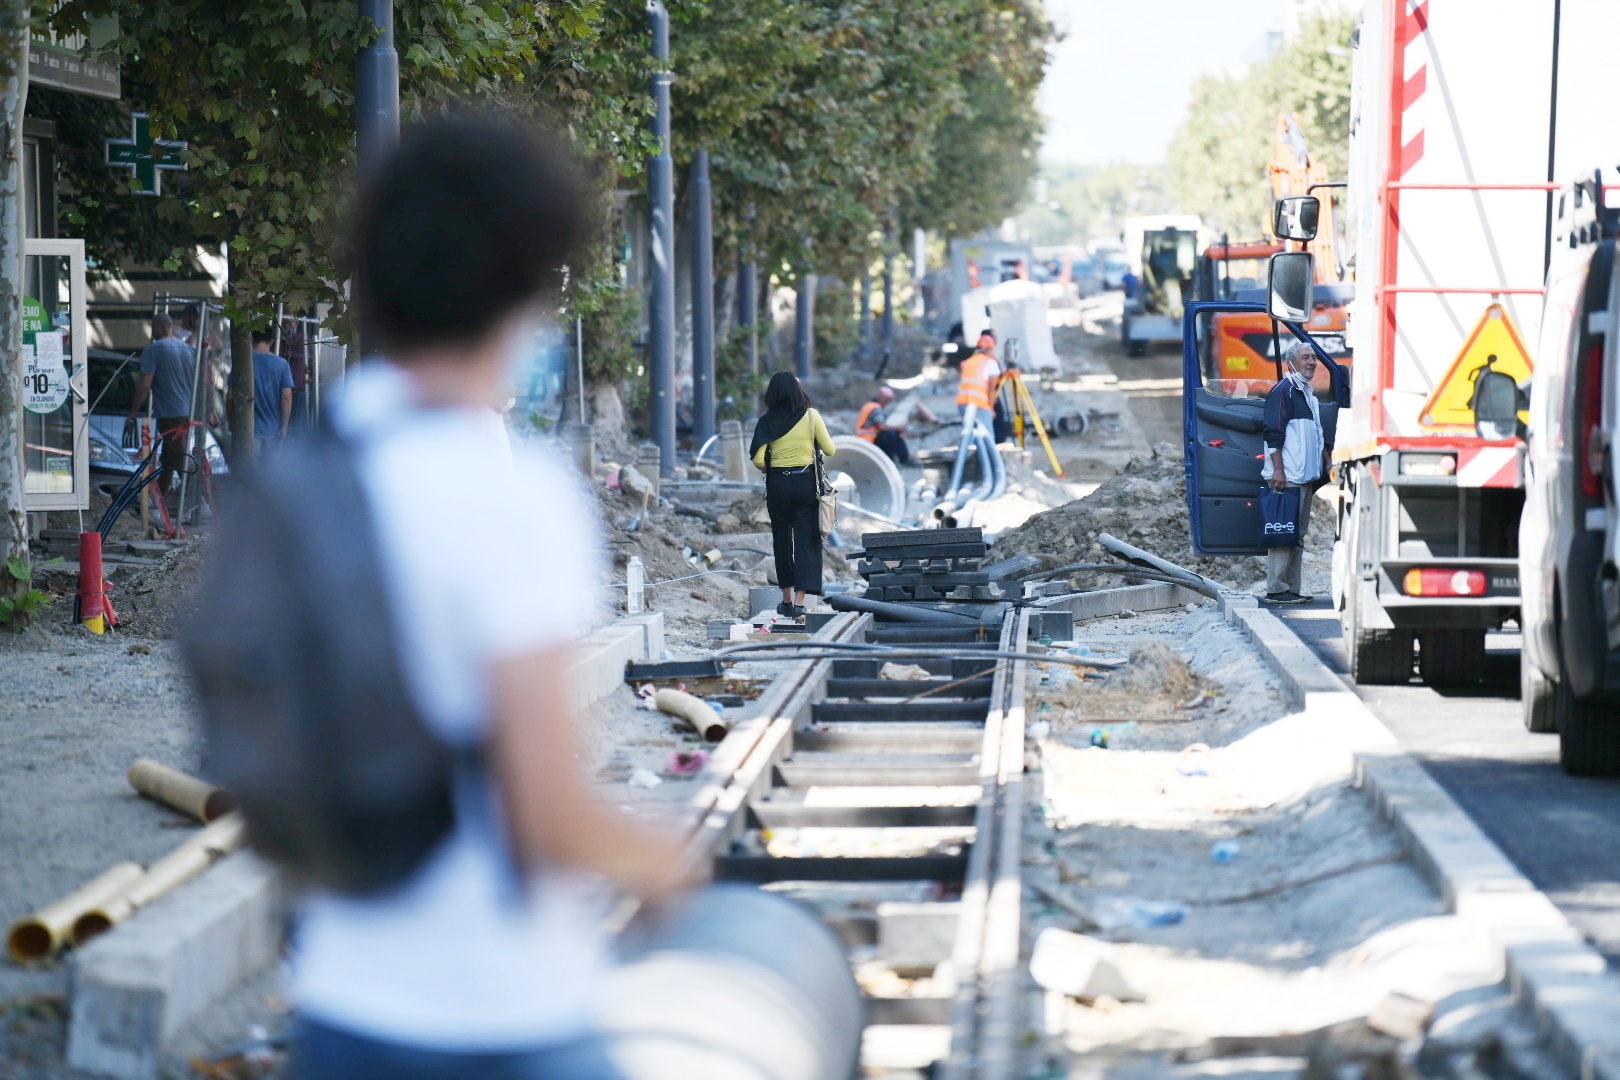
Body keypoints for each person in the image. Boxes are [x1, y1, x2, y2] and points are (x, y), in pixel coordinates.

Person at [288, 114, 693, 1080]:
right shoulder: (509, 492)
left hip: (339, 1001)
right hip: (499, 1012)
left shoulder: (310, 471)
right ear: (525, 285)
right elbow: (542, 818)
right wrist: (675, 867)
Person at [750, 372, 836, 619]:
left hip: (778, 485)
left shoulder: (766, 422)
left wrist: (772, 466)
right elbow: (830, 449)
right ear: (798, 392)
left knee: (782, 542)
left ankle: (785, 601)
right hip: (805, 483)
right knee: (807, 541)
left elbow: (757, 459)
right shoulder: (811, 416)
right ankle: (800, 602)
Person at [1261, 342, 1331, 605]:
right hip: (1287, 477)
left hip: (1304, 478)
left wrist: (1326, 462)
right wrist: (1278, 470)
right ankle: (1276, 590)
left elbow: (1317, 434)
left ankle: (1292, 589)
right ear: (1291, 362)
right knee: (1282, 532)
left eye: (1314, 357)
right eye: (1306, 357)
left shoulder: (1308, 395)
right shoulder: (1284, 392)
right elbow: (1273, 433)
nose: (1312, 362)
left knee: (1296, 535)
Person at [125, 312, 197, 497]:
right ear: (171, 327)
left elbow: (144, 386)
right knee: (169, 458)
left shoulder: (153, 350)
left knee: (177, 457)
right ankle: (159, 500)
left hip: (170, 413)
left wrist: (133, 412)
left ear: (157, 328)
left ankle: (199, 500)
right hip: (188, 412)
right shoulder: (188, 350)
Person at [855, 385, 935, 467]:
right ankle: (892, 460)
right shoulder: (876, 409)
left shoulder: (869, 405)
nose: (887, 403)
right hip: (869, 439)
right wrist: (898, 428)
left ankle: (900, 460)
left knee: (892, 433)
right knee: (891, 434)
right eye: (886, 401)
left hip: (864, 437)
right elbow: (882, 427)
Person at [247, 331, 294, 457]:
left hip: (249, 429)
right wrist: (284, 426)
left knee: (249, 471)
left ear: (252, 339)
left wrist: (232, 421)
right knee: (270, 471)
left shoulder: (245, 363)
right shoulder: (282, 365)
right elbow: (286, 396)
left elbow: (230, 395)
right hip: (273, 429)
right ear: (272, 342)